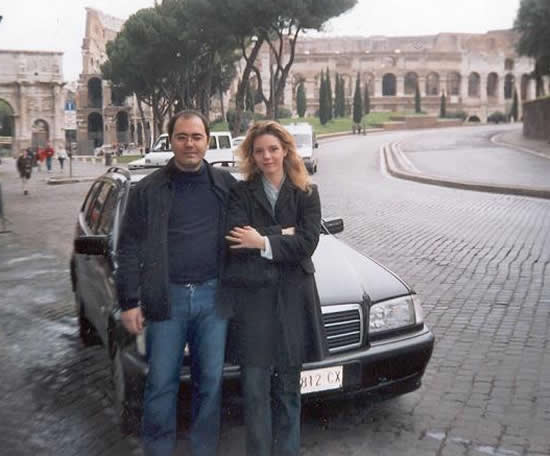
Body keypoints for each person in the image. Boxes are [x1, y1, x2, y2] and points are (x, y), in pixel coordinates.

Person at [115, 110, 236, 456]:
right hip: (166, 301)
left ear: (207, 142)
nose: (189, 144)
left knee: (210, 384)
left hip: (214, 300)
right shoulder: (149, 189)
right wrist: (129, 301)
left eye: (196, 137)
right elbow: (128, 247)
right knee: (160, 385)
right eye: (182, 137)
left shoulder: (226, 186)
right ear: (170, 142)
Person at [223, 120, 325, 456]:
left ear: (285, 151)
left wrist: (263, 240)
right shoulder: (240, 192)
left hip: (293, 303)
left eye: (273, 149)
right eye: (259, 151)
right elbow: (237, 239)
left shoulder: (307, 192)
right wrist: (283, 235)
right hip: (254, 306)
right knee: (255, 394)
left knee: (288, 393)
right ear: (251, 155)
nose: (267, 156)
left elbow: (307, 243)